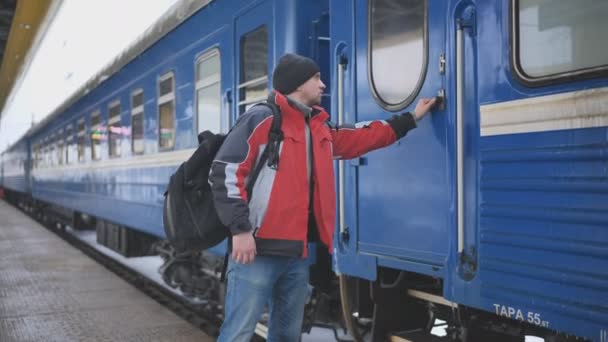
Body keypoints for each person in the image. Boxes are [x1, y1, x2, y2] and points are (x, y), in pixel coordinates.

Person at [209, 53, 436, 342]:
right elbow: (225, 173)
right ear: (297, 83)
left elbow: (363, 136)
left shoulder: (318, 129)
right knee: (237, 333)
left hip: (297, 254)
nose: (323, 84)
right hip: (257, 251)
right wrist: (240, 230)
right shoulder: (261, 119)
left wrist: (411, 118)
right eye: (316, 78)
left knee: (287, 335)